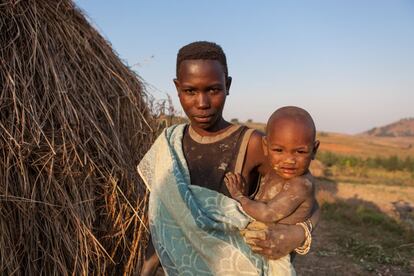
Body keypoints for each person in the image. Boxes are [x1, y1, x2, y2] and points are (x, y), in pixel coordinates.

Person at [138, 41, 320, 275]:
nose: (202, 103)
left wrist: (300, 233)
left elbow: (307, 198)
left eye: (213, 90)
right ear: (177, 87)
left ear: (228, 85)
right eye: (190, 91)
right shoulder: (168, 145)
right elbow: (164, 220)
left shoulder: (254, 144)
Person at [224, 106, 320, 275]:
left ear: (314, 150)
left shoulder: (300, 184)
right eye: (278, 150)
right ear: (266, 146)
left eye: (300, 151)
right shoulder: (276, 171)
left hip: (273, 252)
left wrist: (239, 196)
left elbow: (268, 214)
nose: (289, 160)